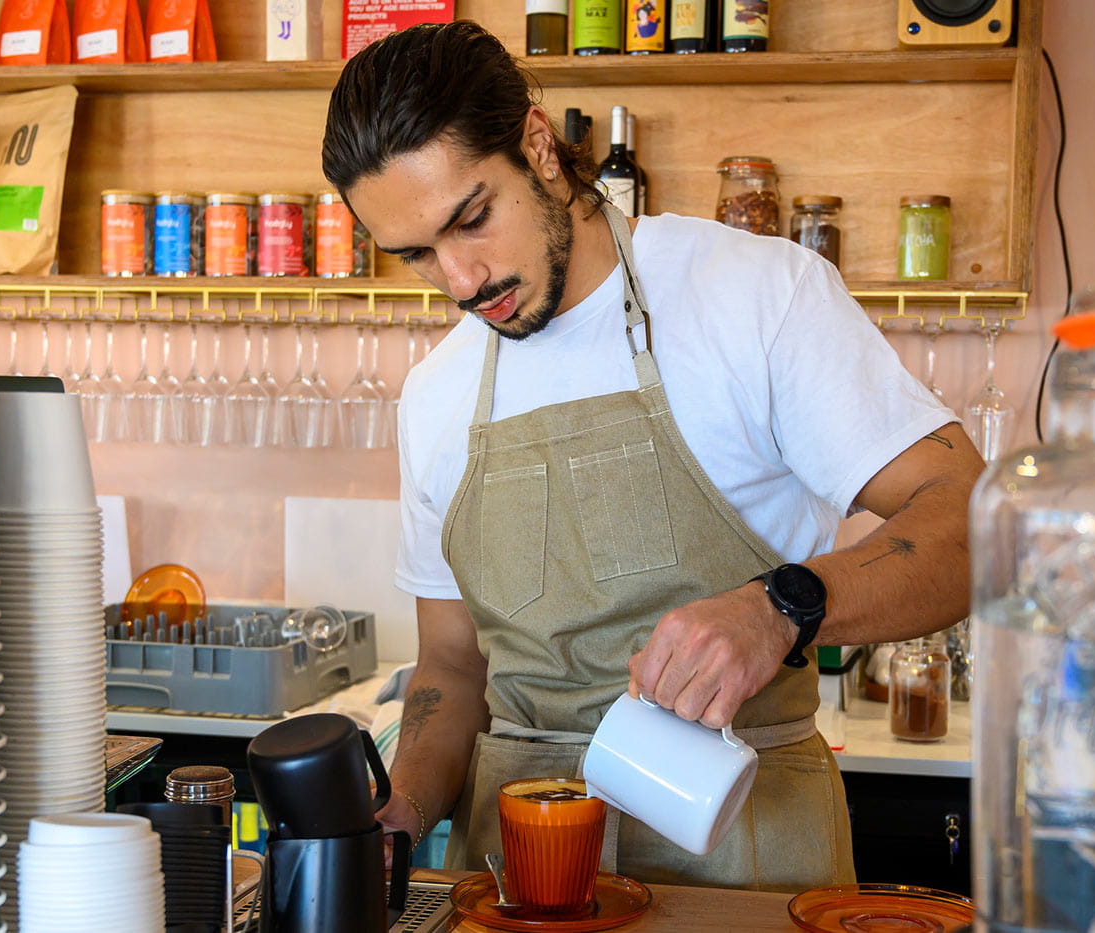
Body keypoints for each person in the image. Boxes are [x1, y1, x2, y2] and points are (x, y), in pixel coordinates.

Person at [322, 21, 983, 892]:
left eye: (472, 218)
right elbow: (454, 664)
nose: (459, 279)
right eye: (415, 253)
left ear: (536, 142)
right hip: (517, 878)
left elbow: (978, 518)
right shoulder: (438, 394)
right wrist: (403, 807)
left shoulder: (754, 296)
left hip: (751, 862)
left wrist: (784, 607)